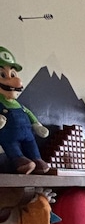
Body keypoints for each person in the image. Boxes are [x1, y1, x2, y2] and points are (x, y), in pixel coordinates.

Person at [0, 46, 53, 175]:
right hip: (9, 136)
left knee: (32, 145)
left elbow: (28, 113)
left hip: (28, 135)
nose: (12, 79)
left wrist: (37, 125)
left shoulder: (18, 104)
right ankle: (20, 161)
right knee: (10, 146)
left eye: (13, 74)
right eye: (3, 75)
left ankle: (37, 160)